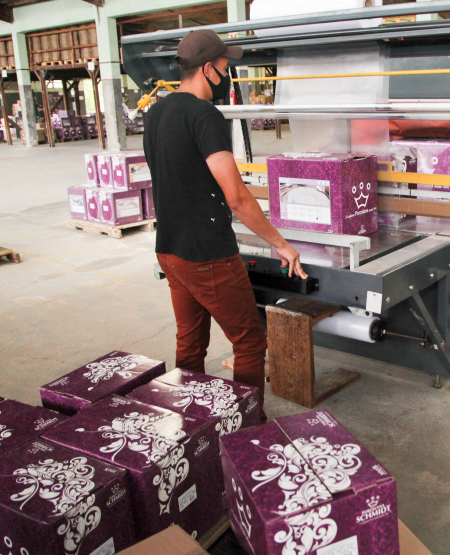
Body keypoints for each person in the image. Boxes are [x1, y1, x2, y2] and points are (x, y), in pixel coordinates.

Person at [143, 29, 307, 422]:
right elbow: (235, 196)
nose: (227, 74)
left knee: (190, 341)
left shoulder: (156, 113)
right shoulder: (204, 116)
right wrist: (280, 244)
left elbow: (172, 177)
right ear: (208, 69)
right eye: (224, 67)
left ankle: (193, 425)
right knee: (249, 341)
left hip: (169, 248)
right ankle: (247, 427)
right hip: (207, 253)